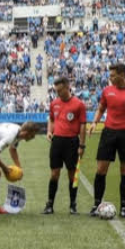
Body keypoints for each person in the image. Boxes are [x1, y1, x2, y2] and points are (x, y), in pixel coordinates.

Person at [87, 63, 125, 219]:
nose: (110, 78)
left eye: (113, 75)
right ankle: (96, 205)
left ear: (122, 74)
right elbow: (101, 109)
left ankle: (124, 207)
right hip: (108, 133)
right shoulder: (107, 91)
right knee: (101, 169)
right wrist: (94, 122)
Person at [43, 77, 87, 215]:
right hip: (57, 142)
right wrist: (50, 131)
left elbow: (83, 125)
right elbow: (51, 119)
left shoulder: (79, 104)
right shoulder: (54, 103)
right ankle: (49, 204)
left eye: (60, 90)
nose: (58, 93)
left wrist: (82, 145)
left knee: (72, 174)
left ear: (67, 87)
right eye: (56, 90)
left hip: (72, 142)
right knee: (54, 173)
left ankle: (73, 205)